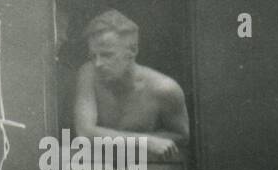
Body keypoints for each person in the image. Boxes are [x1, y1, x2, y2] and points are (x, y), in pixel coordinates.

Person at [72, 9, 190, 162]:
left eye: (107, 55)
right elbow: (85, 132)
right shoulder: (88, 73)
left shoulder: (164, 89)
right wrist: (145, 142)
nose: (98, 63)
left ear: (132, 50)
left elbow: (181, 138)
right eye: (93, 56)